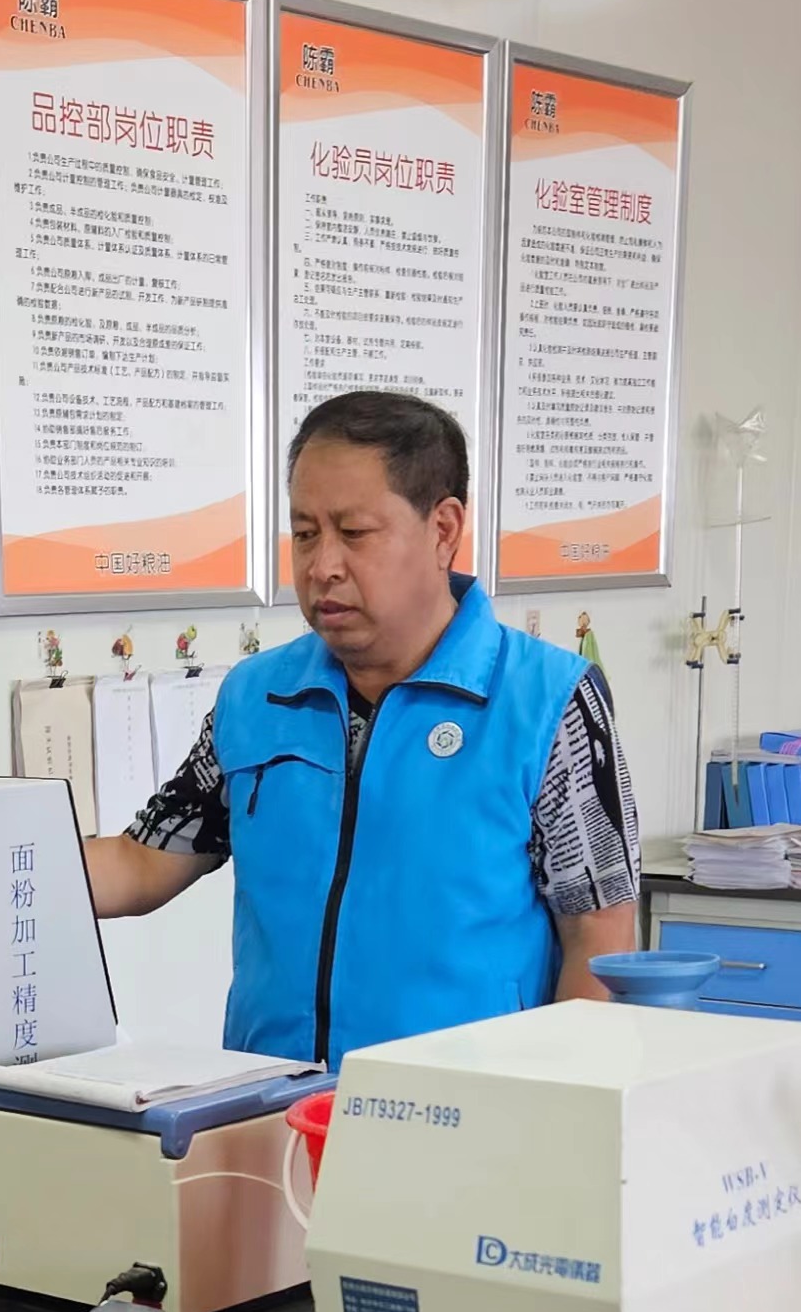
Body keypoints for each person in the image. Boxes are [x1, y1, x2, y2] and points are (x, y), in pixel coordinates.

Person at [85, 390, 640, 1069]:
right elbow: (142, 861)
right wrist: (1, 870)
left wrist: (555, 1102)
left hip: (469, 1109)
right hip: (275, 1104)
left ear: (443, 530)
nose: (322, 566)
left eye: (354, 533)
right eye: (305, 533)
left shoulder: (546, 700)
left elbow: (601, 935)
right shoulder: (257, 697)